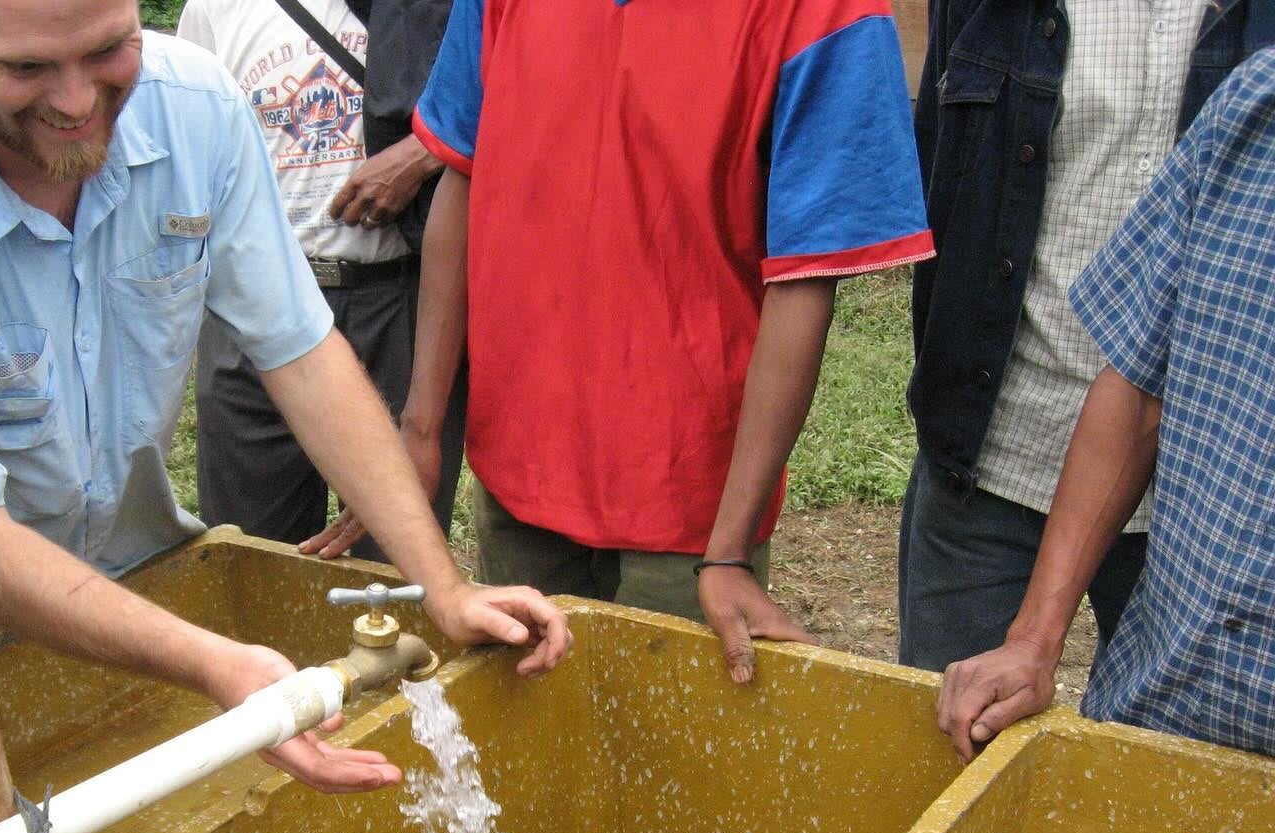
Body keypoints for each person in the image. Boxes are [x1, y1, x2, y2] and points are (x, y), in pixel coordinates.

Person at [0, 0, 571, 796]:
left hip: (120, 560)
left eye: (108, 50)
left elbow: (301, 354)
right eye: (25, 68)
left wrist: (444, 587)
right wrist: (214, 662)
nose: (76, 101)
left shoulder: (196, 109)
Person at [372, 0, 933, 683]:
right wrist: (421, 428)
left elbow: (806, 275)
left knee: (663, 734)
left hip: (689, 501)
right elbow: (466, 170)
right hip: (518, 464)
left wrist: (727, 551)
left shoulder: (826, 12)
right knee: (520, 725)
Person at [900, 0, 1275, 674]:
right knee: (947, 716)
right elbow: (941, 174)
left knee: (1170, 742)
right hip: (995, 454)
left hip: (1196, 498)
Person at [176, 0, 467, 560]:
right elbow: (187, 140)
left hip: (398, 298)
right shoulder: (215, 8)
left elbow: (496, 103)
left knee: (401, 560)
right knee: (252, 557)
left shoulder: (442, 7)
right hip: (255, 305)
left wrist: (421, 155)